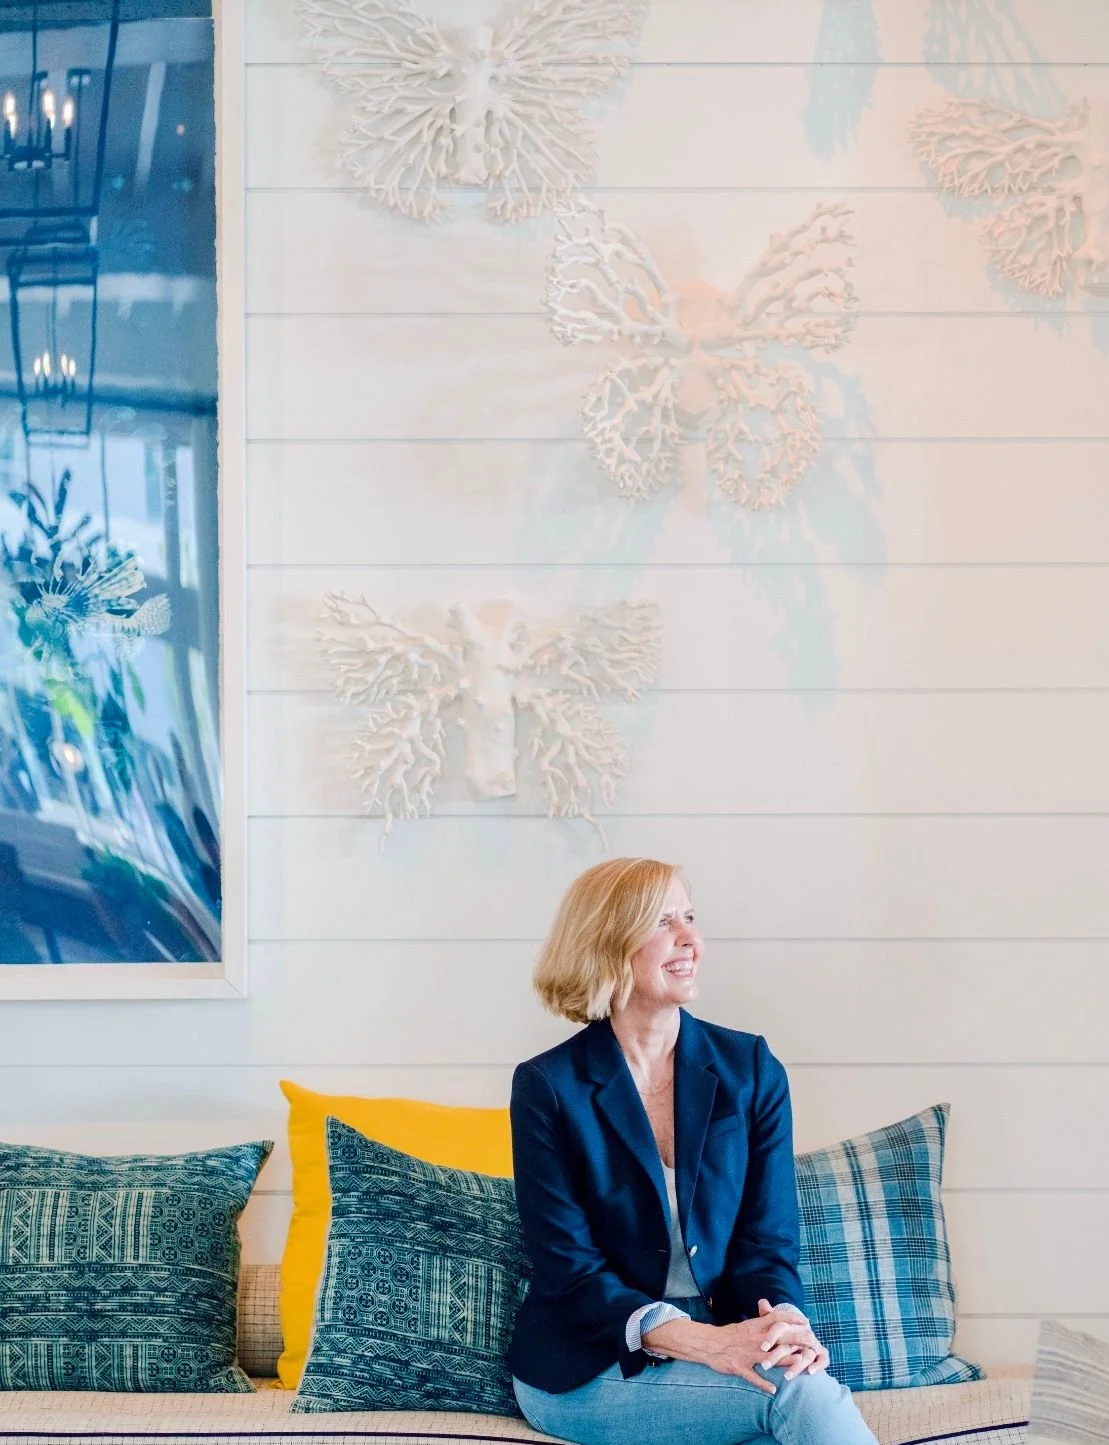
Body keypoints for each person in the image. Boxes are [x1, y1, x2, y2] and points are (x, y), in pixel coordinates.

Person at [508, 857, 878, 1445]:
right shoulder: (549, 1086)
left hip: (724, 1334)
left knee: (790, 1399)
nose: (691, 939)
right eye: (662, 922)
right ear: (607, 942)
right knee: (798, 1399)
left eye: (690, 916)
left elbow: (769, 1239)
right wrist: (703, 1342)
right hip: (592, 1363)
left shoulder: (750, 1068)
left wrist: (782, 1326)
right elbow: (570, 1270)